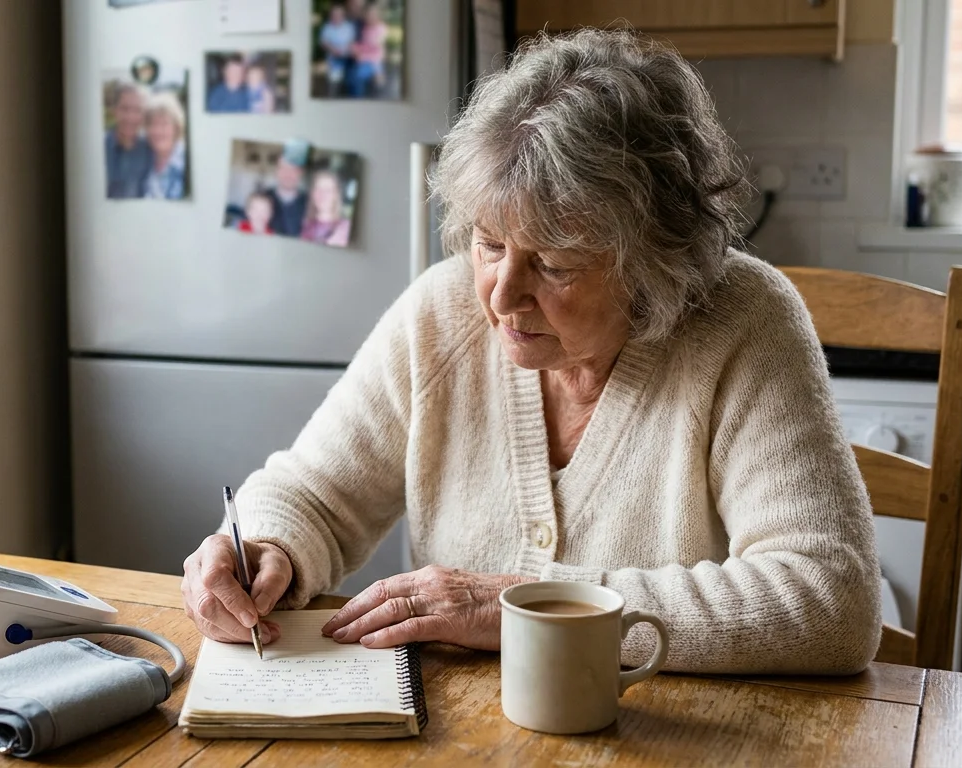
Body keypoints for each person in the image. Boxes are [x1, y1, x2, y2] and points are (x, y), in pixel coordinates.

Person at [180, 29, 882, 675]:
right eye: (489, 243)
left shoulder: (744, 321)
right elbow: (313, 495)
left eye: (553, 263)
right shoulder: (440, 312)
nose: (501, 296)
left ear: (650, 262)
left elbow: (829, 600)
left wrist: (529, 605)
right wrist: (264, 547)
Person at [104, 82, 151, 199]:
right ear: (114, 110)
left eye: (138, 110)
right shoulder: (98, 148)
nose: (130, 117)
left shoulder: (151, 148)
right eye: (124, 109)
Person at [142, 92, 187, 200]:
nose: (158, 131)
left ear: (176, 127)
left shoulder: (188, 162)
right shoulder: (143, 158)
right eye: (153, 124)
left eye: (164, 124)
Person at [299, 170, 351, 247]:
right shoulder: (304, 224)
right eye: (318, 189)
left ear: (336, 195)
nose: (322, 195)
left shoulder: (345, 228)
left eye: (328, 190)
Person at [347, 3, 387, 97]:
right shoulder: (365, 28)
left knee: (356, 75)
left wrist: (362, 55)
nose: (370, 17)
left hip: (374, 61)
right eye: (368, 15)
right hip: (363, 59)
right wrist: (354, 47)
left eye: (373, 14)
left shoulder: (381, 28)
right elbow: (363, 45)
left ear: (378, 15)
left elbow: (376, 50)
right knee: (352, 76)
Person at [318, 3, 356, 96]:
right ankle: (333, 97)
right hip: (334, 58)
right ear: (331, 15)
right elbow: (323, 43)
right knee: (334, 81)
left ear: (343, 15)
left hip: (348, 58)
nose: (336, 16)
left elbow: (352, 43)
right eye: (334, 14)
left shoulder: (349, 27)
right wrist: (333, 49)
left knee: (352, 77)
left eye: (339, 14)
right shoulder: (327, 27)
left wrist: (347, 51)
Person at [266, 155, 308, 237]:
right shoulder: (261, 198)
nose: (288, 174)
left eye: (293, 169)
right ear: (276, 171)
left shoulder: (311, 204)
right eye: (283, 169)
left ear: (300, 173)